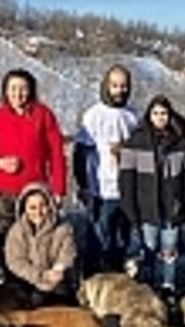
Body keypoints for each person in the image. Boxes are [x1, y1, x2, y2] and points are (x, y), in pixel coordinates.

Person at [0, 69, 66, 283]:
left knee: (29, 248)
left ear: (31, 90)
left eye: (23, 89)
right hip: (1, 194)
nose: (18, 94)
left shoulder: (43, 116)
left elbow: (56, 154)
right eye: (13, 89)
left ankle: (23, 289)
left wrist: (58, 189)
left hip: (33, 196)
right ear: (5, 91)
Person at [119, 95, 185, 295]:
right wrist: (129, 208)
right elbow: (126, 180)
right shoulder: (135, 142)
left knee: (170, 248)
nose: (160, 117)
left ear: (170, 115)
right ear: (149, 116)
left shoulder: (184, 142)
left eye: (164, 113)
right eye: (156, 113)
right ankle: (148, 285)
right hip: (146, 205)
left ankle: (168, 285)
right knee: (148, 247)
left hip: (172, 205)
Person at [73, 64, 140, 272]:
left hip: (126, 191)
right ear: (106, 86)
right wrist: (83, 185)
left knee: (121, 244)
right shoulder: (94, 115)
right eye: (115, 85)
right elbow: (80, 153)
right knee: (98, 242)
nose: (120, 90)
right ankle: (92, 283)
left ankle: (116, 283)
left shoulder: (133, 116)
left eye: (123, 86)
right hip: (100, 190)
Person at [4, 182, 78, 305]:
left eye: (42, 206)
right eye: (32, 207)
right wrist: (40, 276)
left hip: (57, 281)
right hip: (27, 282)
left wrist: (58, 270)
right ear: (24, 209)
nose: (38, 212)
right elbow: (15, 262)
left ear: (50, 205)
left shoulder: (63, 228)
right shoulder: (16, 231)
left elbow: (68, 254)